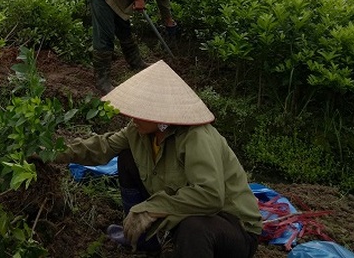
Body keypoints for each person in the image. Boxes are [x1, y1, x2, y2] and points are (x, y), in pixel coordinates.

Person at [54, 61, 262, 257]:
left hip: (231, 227)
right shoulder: (138, 131)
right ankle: (141, 238)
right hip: (186, 215)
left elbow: (210, 196)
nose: (133, 118)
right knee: (127, 158)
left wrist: (151, 208)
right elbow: (103, 146)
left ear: (162, 116)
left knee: (194, 228)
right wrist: (52, 151)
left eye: (141, 112)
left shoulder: (196, 137)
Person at [90, 0, 196, 94]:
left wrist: (168, 19)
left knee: (124, 29)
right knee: (105, 35)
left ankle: (136, 64)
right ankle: (102, 81)